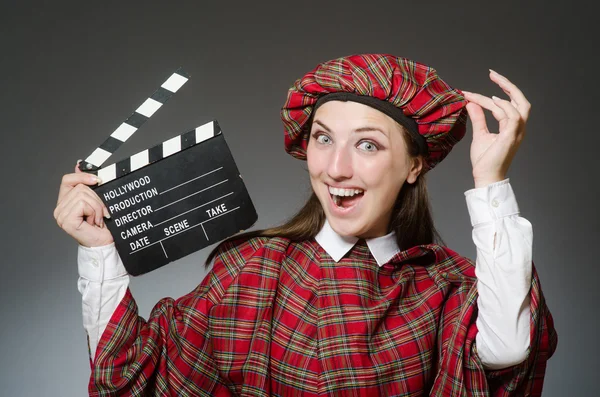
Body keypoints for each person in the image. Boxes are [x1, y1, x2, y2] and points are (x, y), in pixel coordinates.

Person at [54, 54, 557, 396]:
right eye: (323, 138)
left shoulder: (446, 288)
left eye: (368, 145)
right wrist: (102, 251)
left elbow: (509, 352)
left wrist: (490, 182)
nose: (336, 167)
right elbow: (131, 381)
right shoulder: (249, 270)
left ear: (414, 165)